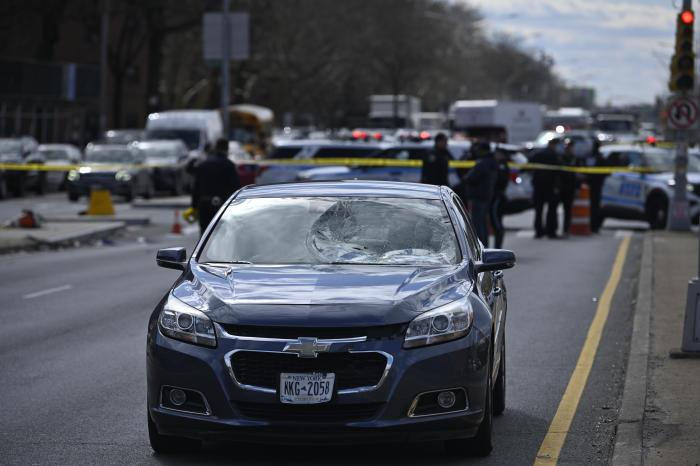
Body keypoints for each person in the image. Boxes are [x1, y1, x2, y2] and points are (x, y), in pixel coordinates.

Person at [191, 138, 240, 234]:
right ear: (227, 148)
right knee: (223, 234)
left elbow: (196, 187)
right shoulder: (229, 165)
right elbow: (235, 187)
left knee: (205, 235)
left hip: (205, 205)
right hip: (223, 206)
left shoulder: (203, 165)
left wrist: (194, 206)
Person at [459, 141, 497, 245]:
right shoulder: (491, 161)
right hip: (485, 195)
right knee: (482, 223)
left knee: (477, 224)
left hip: (478, 196)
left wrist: (466, 177)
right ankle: (484, 245)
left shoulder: (482, 163)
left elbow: (470, 177)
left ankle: (481, 246)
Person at [531, 138, 561, 239]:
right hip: (550, 186)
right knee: (552, 210)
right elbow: (558, 172)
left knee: (539, 210)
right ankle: (551, 231)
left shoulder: (538, 154)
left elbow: (529, 164)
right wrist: (557, 186)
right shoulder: (554, 155)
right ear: (553, 145)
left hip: (538, 185)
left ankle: (538, 231)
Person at [490, 148, 510, 248]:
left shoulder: (501, 165)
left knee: (497, 223)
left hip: (497, 196)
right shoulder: (498, 164)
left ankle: (498, 247)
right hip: (496, 195)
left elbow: (500, 180)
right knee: (495, 222)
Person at [559, 139, 578, 238]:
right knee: (554, 209)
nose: (569, 148)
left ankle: (566, 229)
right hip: (561, 187)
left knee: (568, 210)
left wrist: (577, 188)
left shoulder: (574, 158)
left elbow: (577, 174)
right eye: (567, 147)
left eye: (570, 146)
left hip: (570, 187)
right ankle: (553, 229)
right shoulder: (561, 158)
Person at [587, 139, 607, 233]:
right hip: (596, 185)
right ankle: (594, 226)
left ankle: (592, 225)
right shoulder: (599, 157)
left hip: (589, 185)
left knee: (591, 206)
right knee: (594, 206)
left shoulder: (590, 157)